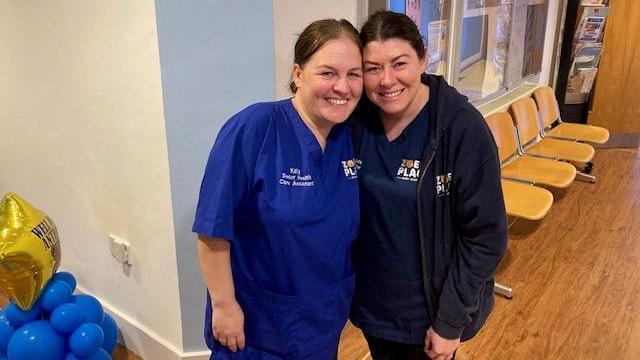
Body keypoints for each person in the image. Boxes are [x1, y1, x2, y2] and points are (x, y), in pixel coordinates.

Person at [193, 19, 363, 360]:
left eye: (354, 75)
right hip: (259, 324)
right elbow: (213, 229)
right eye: (328, 73)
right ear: (298, 74)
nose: (342, 87)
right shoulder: (254, 128)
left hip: (322, 321)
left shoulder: (351, 137)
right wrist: (224, 306)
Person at [350, 11, 508, 360]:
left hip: (430, 316)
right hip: (373, 308)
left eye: (399, 63)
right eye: (373, 68)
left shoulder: (461, 129)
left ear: (423, 58)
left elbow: (486, 237)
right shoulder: (356, 122)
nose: (386, 80)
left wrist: (450, 323)